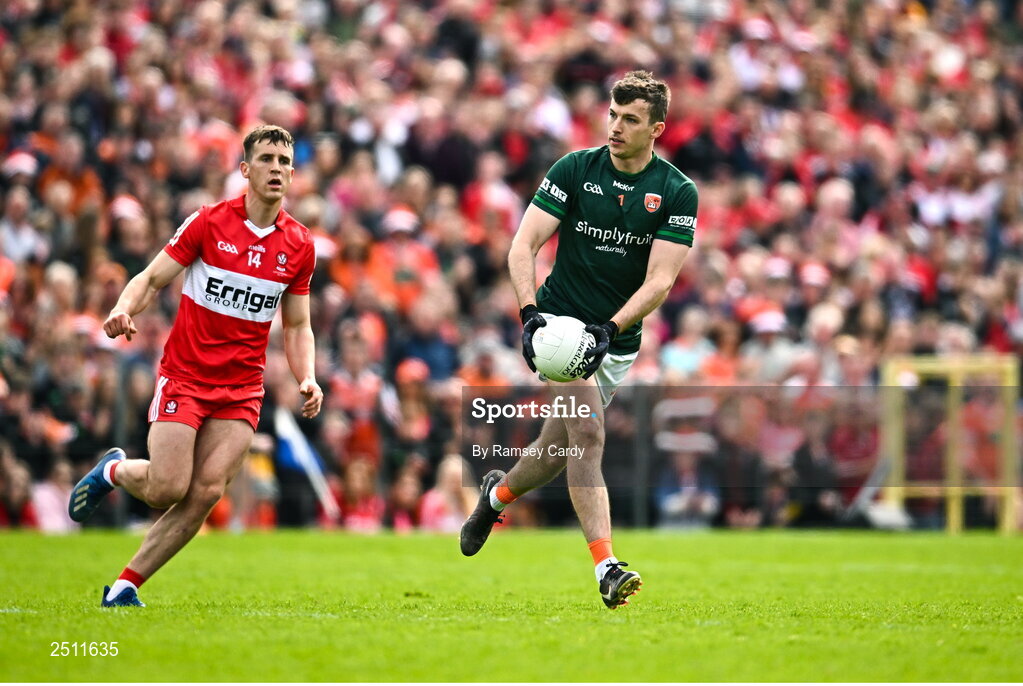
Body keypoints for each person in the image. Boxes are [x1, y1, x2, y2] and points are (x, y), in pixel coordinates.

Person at [459, 71, 697, 608]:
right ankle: (607, 569)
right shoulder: (574, 168)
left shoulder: (677, 191)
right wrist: (528, 315)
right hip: (561, 330)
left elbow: (660, 280)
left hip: (614, 338)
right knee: (588, 440)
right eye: (612, 114)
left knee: (553, 452)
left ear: (656, 128)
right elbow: (523, 247)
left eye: (630, 119)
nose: (615, 126)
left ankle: (495, 497)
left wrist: (609, 330)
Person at [68, 125, 323, 607]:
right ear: (246, 170)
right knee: (167, 488)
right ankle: (114, 471)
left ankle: (124, 587)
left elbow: (296, 327)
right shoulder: (207, 222)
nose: (277, 168)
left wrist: (306, 375)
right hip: (185, 375)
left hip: (242, 388)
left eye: (285, 161)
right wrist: (124, 309)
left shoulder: (300, 245)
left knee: (205, 493)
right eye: (267, 159)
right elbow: (150, 278)